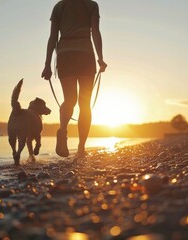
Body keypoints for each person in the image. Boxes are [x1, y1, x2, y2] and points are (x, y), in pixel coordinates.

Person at [41, 0, 107, 157]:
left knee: (69, 99)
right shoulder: (91, 5)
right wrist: (100, 58)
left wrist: (47, 64)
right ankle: (81, 148)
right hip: (85, 54)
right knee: (85, 104)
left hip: (65, 55)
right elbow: (96, 32)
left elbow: (52, 37)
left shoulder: (59, 7)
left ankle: (63, 130)